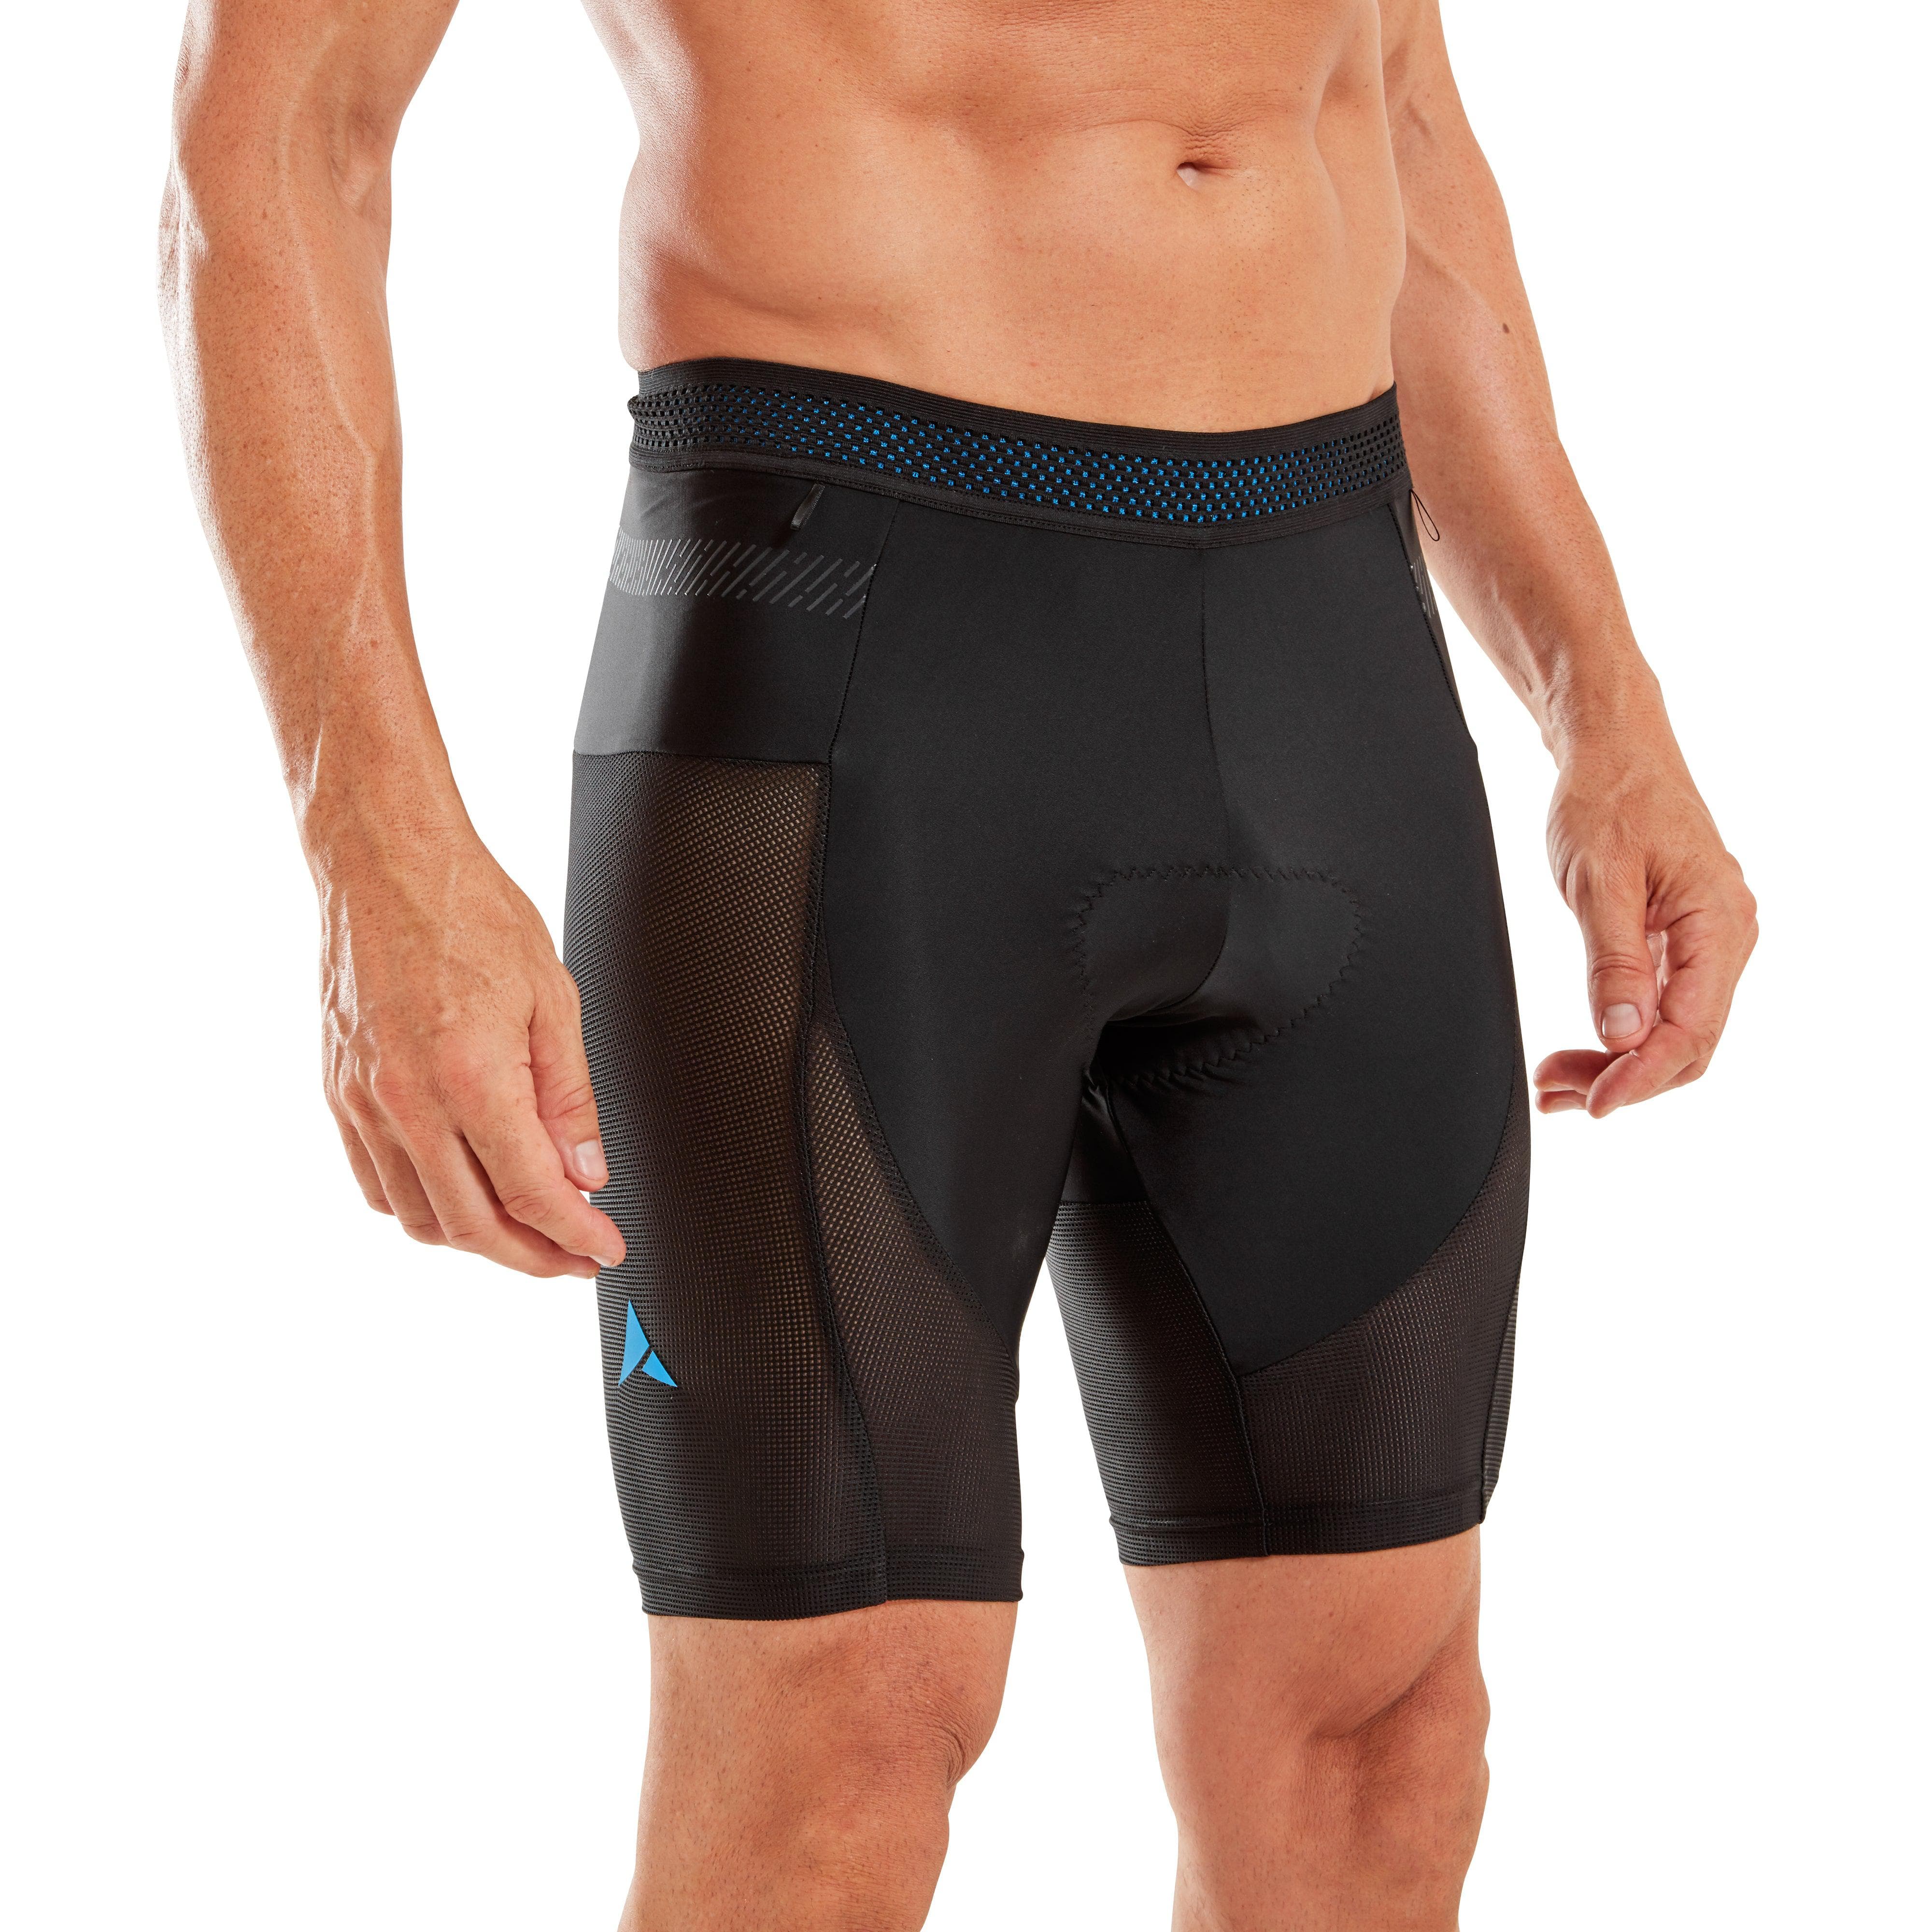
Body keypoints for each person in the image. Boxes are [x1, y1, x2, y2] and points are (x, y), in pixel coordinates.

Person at [160, 0, 1757, 1924]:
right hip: (848, 665)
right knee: (836, 1741)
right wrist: (376, 848)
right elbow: (279, 141)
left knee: (1381, 1739)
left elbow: (1395, 101)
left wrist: (1603, 700)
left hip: (1330, 658)